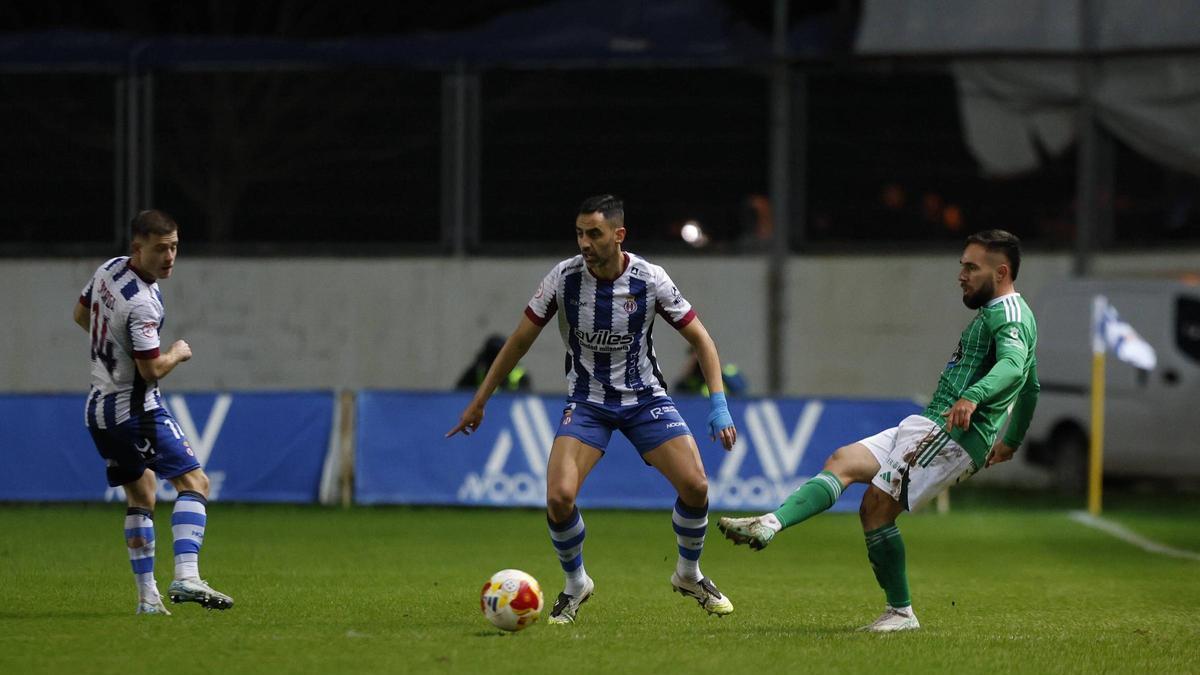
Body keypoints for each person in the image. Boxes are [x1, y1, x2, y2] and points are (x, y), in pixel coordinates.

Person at [718, 229, 1039, 632]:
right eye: (962, 265)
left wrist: (973, 396)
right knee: (843, 460)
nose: (962, 275)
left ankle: (901, 613)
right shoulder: (1008, 315)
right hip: (930, 421)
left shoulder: (1008, 315)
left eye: (972, 268)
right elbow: (1031, 384)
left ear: (1002, 272)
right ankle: (771, 522)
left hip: (954, 433)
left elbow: (1012, 368)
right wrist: (1011, 440)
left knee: (875, 508)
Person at [447, 195, 739, 623]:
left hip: (645, 399)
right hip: (588, 402)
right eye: (580, 233)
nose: (584, 242)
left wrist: (719, 405)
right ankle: (576, 583)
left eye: (594, 233)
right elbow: (520, 340)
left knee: (696, 486)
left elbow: (702, 340)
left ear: (619, 235)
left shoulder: (650, 279)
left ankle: (688, 574)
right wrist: (480, 400)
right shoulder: (562, 279)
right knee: (559, 497)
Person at [73, 210, 233, 615]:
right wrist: (178, 352)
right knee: (195, 482)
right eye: (160, 249)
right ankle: (187, 574)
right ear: (137, 247)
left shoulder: (110, 270)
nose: (169, 257)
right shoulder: (143, 304)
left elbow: (80, 314)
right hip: (135, 409)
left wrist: (112, 354)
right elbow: (151, 369)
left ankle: (147, 598)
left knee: (141, 494)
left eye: (175, 247)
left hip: (97, 408)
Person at [455, 334, 531, 392]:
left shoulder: (519, 374)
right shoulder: (477, 370)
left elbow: (524, 397)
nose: (496, 362)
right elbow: (459, 394)